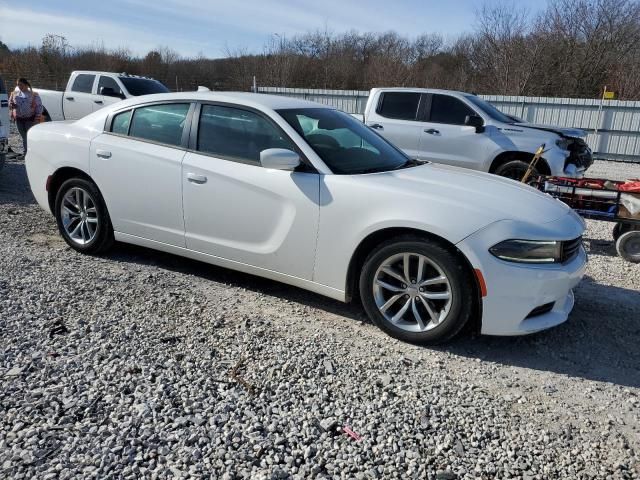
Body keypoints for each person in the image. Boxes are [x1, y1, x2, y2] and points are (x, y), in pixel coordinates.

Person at [9, 78, 43, 158]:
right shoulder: (14, 94)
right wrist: (11, 105)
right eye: (18, 85)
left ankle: (33, 154)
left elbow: (39, 107)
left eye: (21, 84)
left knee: (29, 137)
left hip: (30, 119)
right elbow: (10, 104)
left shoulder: (34, 95)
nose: (19, 86)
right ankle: (26, 154)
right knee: (24, 136)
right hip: (19, 119)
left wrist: (37, 118)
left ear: (26, 85)